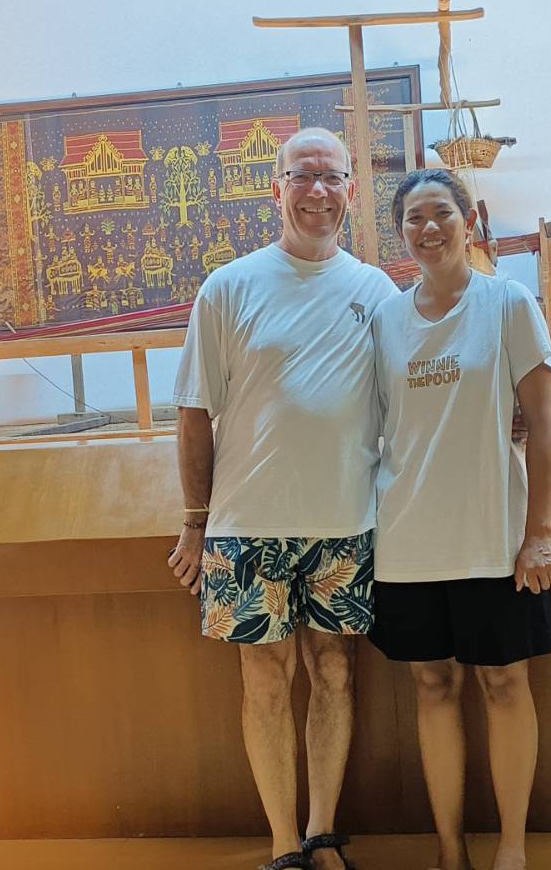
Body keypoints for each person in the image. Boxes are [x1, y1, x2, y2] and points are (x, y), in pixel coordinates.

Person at [169, 128, 398, 870]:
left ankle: (322, 833)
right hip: (247, 525)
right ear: (277, 189)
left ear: (351, 192)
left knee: (335, 671)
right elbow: (194, 412)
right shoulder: (228, 287)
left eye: (332, 177)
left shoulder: (376, 292)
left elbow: (413, 398)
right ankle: (282, 845)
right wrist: (195, 523)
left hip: (346, 522)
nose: (317, 191)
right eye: (302, 176)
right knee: (265, 680)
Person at [367, 169, 551, 870]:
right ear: (401, 234)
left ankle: (511, 847)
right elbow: (374, 429)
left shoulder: (507, 303)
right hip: (407, 540)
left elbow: (544, 425)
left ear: (468, 221)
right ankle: (450, 850)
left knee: (504, 684)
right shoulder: (384, 320)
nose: (429, 228)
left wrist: (539, 533)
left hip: (493, 537)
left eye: (441, 213)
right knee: (433, 685)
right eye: (414, 219)